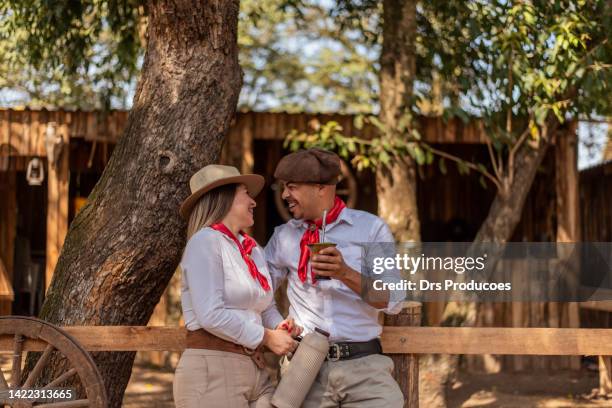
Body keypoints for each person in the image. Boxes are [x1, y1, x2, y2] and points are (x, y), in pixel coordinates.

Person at [264, 148, 405, 408]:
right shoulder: (283, 237)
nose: (285, 195)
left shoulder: (371, 229)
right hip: (305, 367)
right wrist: (279, 325)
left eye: (291, 187)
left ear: (321, 188)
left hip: (366, 367)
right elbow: (258, 294)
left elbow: (393, 299)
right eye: (284, 188)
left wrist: (345, 273)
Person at [173, 164, 302, 408]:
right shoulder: (204, 242)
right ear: (224, 198)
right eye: (245, 193)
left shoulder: (251, 248)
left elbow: (264, 307)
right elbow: (210, 314)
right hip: (213, 369)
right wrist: (266, 337)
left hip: (254, 367)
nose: (253, 202)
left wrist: (279, 325)